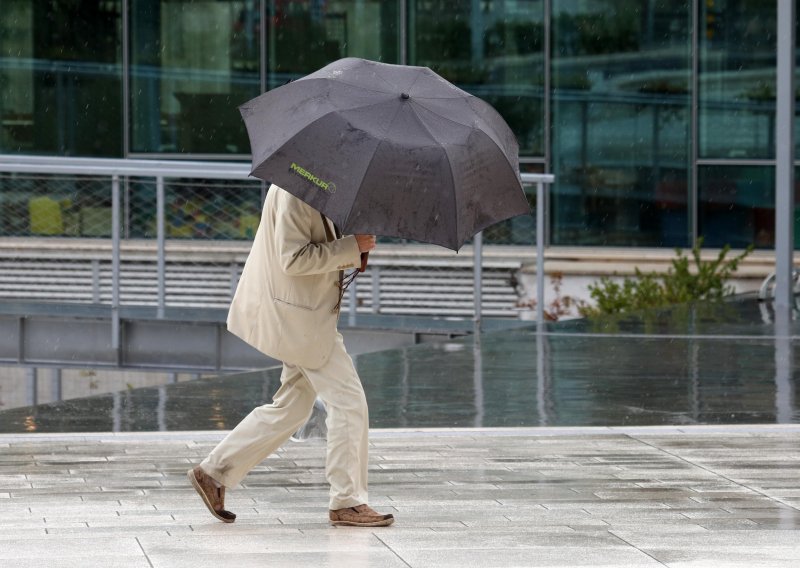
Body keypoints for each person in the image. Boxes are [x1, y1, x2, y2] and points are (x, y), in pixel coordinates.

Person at [187, 184, 394, 527]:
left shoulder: (319, 187)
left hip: (306, 317)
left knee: (292, 407)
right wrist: (349, 248)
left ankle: (214, 472)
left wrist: (353, 246)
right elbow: (292, 258)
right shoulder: (296, 192)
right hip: (298, 320)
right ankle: (347, 500)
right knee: (349, 403)